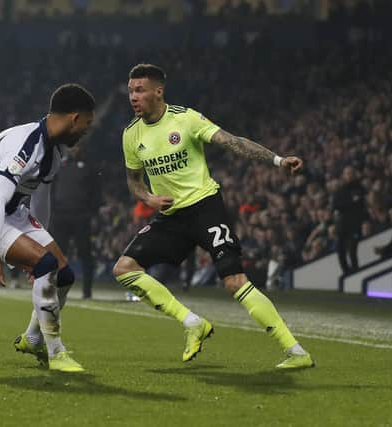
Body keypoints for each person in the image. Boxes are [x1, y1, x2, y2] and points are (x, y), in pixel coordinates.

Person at [112, 64, 314, 369]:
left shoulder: (186, 118)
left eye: (139, 90)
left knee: (234, 281)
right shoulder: (131, 134)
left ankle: (296, 352)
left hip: (205, 207)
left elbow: (232, 142)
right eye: (130, 91)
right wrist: (148, 198)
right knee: (124, 269)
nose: (133, 97)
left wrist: (277, 160)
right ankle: (193, 322)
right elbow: (133, 181)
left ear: (158, 91)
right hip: (171, 217)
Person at [0, 83, 95, 372]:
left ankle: (32, 338)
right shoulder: (26, 145)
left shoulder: (53, 153)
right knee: (45, 265)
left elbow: (39, 200)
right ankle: (56, 352)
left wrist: (40, 241)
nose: (86, 131)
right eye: (87, 124)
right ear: (74, 118)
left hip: (12, 212)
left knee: (64, 274)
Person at [51, 146, 99, 299]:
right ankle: (54, 288)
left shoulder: (90, 165)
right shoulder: (59, 165)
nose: (74, 149)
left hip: (81, 216)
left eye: (77, 146)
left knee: (85, 253)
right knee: (57, 254)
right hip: (61, 216)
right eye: (71, 146)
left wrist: (92, 212)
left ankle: (87, 291)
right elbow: (51, 188)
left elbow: (96, 191)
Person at [332, 166, 367, 273]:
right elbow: (335, 205)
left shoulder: (359, 188)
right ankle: (346, 271)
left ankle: (355, 272)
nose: (349, 175)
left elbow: (359, 204)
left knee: (352, 249)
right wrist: (351, 202)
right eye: (347, 173)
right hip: (342, 225)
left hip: (355, 224)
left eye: (351, 173)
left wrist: (346, 204)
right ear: (344, 175)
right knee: (340, 250)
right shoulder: (340, 190)